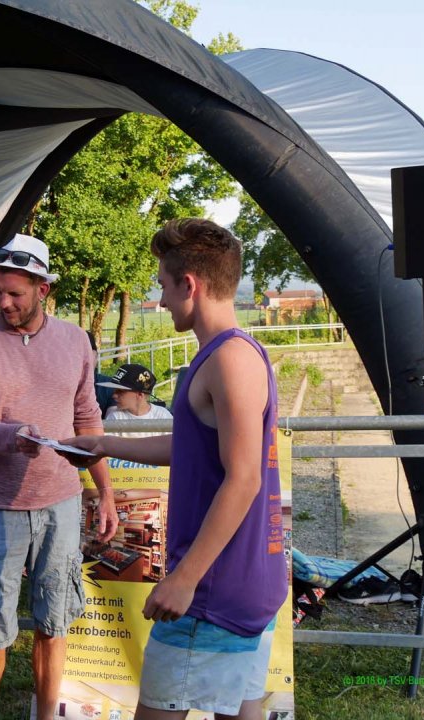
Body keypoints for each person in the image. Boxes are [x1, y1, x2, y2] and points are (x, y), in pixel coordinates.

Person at [58, 218, 286, 720]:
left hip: (210, 592)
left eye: (162, 285)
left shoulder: (229, 360)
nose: (159, 300)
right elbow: (192, 446)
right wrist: (101, 444)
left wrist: (183, 578)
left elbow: (243, 477)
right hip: (246, 583)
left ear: (190, 284)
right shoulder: (231, 354)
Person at [0, 233, 119, 720]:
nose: (3, 302)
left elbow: (88, 421)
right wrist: (11, 436)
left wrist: (104, 492)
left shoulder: (75, 340)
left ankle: (46, 715)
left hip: (61, 502)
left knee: (55, 616)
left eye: (15, 293)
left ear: (43, 289)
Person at [97, 363, 172, 437]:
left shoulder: (163, 416)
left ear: (140, 395)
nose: (114, 395)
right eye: (114, 390)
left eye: (120, 391)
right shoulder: (115, 417)